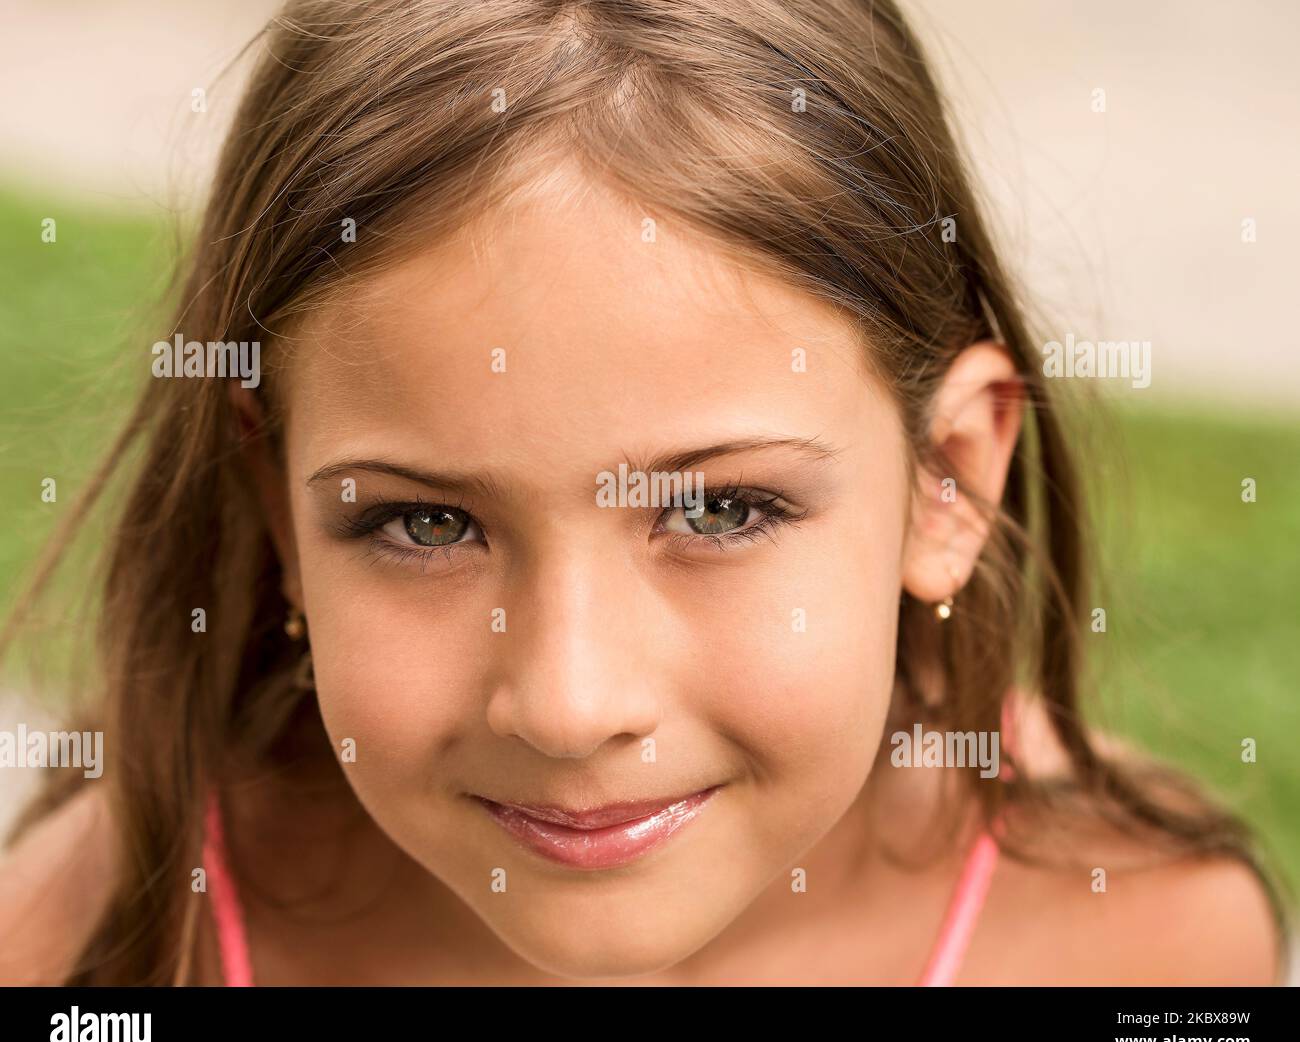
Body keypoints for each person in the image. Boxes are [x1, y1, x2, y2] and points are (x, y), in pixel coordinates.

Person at [0, 0, 1287, 986]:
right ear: (277, 504)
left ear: (946, 478)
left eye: (721, 511)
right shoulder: (89, 951)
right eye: (423, 521)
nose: (568, 702)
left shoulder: (1146, 938)